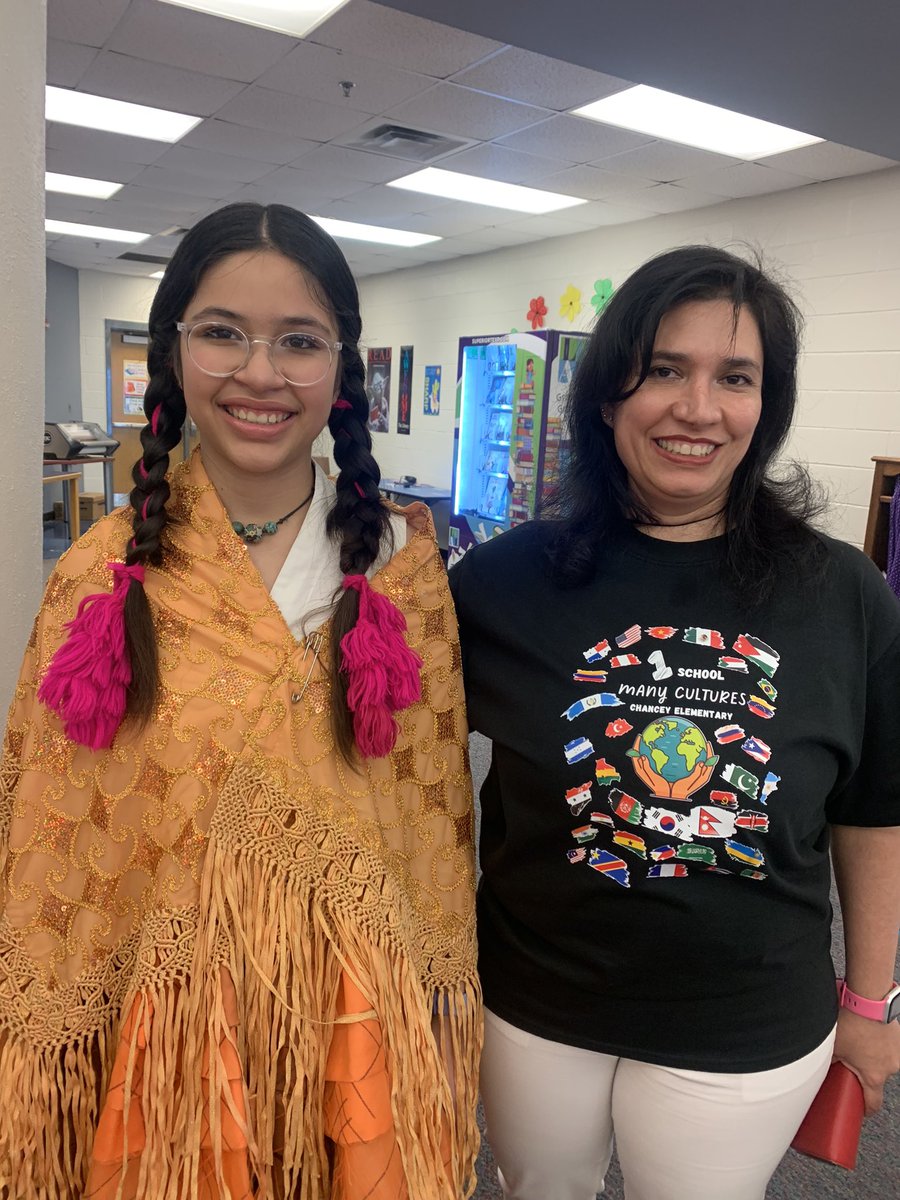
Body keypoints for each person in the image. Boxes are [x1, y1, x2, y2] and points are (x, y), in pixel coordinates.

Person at [0, 203, 481, 1199]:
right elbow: (55, 817)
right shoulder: (100, 570)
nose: (260, 373)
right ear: (173, 351)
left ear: (339, 368)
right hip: (160, 1017)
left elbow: (427, 819)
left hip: (349, 1010)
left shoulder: (400, 564)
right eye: (222, 332)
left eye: (298, 342)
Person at [449, 245, 900, 1200]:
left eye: (734, 377)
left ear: (763, 409)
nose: (698, 408)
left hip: (743, 1020)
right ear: (609, 395)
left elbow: (874, 812)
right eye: (664, 369)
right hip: (533, 996)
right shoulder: (498, 584)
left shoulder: (845, 596)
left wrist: (870, 999)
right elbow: (400, 770)